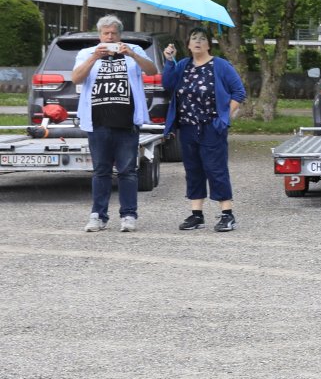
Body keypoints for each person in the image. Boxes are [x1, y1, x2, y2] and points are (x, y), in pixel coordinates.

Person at [72, 15, 158, 232]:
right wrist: (94, 57)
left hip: (127, 121)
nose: (110, 37)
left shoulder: (134, 50)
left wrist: (132, 54)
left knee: (127, 171)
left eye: (113, 33)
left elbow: (152, 71)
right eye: (106, 33)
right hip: (98, 121)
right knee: (100, 171)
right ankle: (98, 216)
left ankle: (128, 215)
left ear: (120, 34)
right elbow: (76, 78)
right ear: (99, 35)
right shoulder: (86, 53)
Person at [162, 28, 247, 232]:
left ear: (209, 44)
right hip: (188, 127)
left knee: (215, 169)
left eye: (202, 39)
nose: (198, 42)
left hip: (211, 127)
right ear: (188, 44)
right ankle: (196, 214)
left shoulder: (220, 65)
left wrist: (224, 116)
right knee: (193, 170)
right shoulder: (183, 65)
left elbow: (239, 92)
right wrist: (169, 61)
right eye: (194, 39)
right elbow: (168, 84)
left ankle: (227, 214)